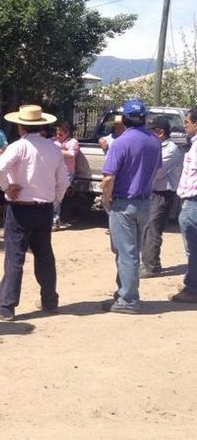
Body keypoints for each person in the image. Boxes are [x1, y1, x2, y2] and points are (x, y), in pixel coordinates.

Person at [0, 105, 69, 321]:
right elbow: (63, 182)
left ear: (21, 126)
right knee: (44, 255)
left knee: (15, 256)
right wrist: (54, 200)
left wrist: (6, 188)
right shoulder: (53, 149)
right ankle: (49, 300)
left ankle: (6, 305)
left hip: (20, 208)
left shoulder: (18, 147)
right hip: (44, 208)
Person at [101, 99, 161, 314]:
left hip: (123, 203)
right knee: (131, 251)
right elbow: (156, 173)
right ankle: (123, 293)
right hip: (144, 202)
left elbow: (109, 178)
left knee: (126, 253)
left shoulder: (121, 142)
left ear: (124, 119)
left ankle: (128, 299)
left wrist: (106, 199)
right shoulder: (154, 141)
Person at [140, 117, 183, 278]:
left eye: (150, 131)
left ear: (160, 132)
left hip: (162, 193)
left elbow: (155, 172)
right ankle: (149, 262)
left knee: (153, 228)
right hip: (150, 192)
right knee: (146, 227)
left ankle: (151, 265)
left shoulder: (171, 149)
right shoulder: (154, 146)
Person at [170, 108, 197, 303]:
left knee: (193, 250)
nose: (184, 126)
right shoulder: (193, 145)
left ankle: (193, 289)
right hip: (190, 202)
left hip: (194, 203)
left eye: (187, 122)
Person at [52, 121, 80, 229]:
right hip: (52, 172)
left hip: (66, 173)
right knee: (53, 196)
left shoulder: (73, 142)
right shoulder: (52, 141)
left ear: (67, 133)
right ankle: (54, 220)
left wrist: (55, 150)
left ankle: (54, 220)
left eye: (60, 134)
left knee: (56, 197)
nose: (58, 136)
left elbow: (71, 154)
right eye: (57, 133)